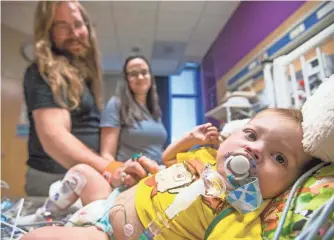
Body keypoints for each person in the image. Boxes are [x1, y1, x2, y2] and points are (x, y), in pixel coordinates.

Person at [21, 108, 313, 240]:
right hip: (109, 201)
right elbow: (165, 161)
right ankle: (48, 210)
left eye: (279, 157)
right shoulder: (205, 157)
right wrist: (189, 140)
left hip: (109, 234)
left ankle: (48, 227)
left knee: (36, 238)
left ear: (288, 187)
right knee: (82, 171)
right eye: (250, 134)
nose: (255, 149)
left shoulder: (240, 215)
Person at [100, 56, 168, 168]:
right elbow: (107, 155)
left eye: (144, 72)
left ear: (150, 76)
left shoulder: (154, 110)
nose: (140, 77)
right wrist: (121, 175)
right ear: (126, 79)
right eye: (133, 74)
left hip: (158, 174)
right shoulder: (116, 104)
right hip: (132, 177)